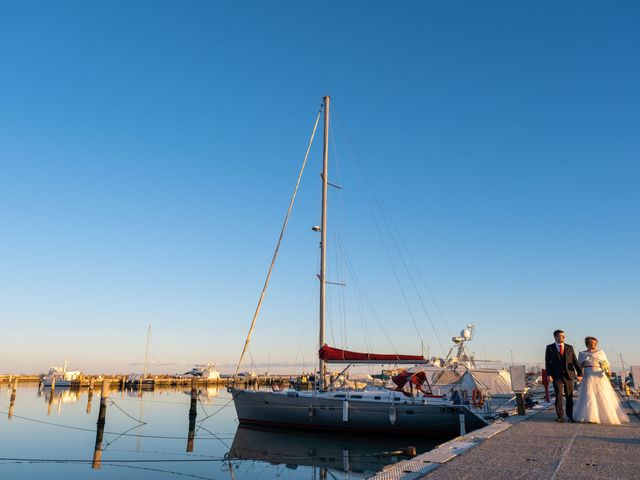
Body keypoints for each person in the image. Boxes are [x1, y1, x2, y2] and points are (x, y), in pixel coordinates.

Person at [573, 336, 630, 425]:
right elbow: (579, 366)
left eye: (595, 343)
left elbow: (607, 363)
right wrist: (579, 375)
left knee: (603, 394)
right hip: (588, 374)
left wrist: (608, 371)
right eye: (592, 343)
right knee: (589, 395)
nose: (594, 345)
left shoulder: (601, 352)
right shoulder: (582, 354)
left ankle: (607, 415)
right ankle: (591, 416)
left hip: (599, 374)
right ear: (587, 343)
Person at [545, 329, 582, 422]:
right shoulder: (549, 348)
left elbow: (574, 361)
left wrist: (580, 373)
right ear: (556, 337)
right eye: (562, 336)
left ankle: (570, 416)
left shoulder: (569, 347)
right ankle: (560, 416)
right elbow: (547, 362)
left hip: (569, 375)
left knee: (569, 396)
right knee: (558, 395)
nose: (564, 337)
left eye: (564, 336)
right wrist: (549, 374)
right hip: (556, 375)